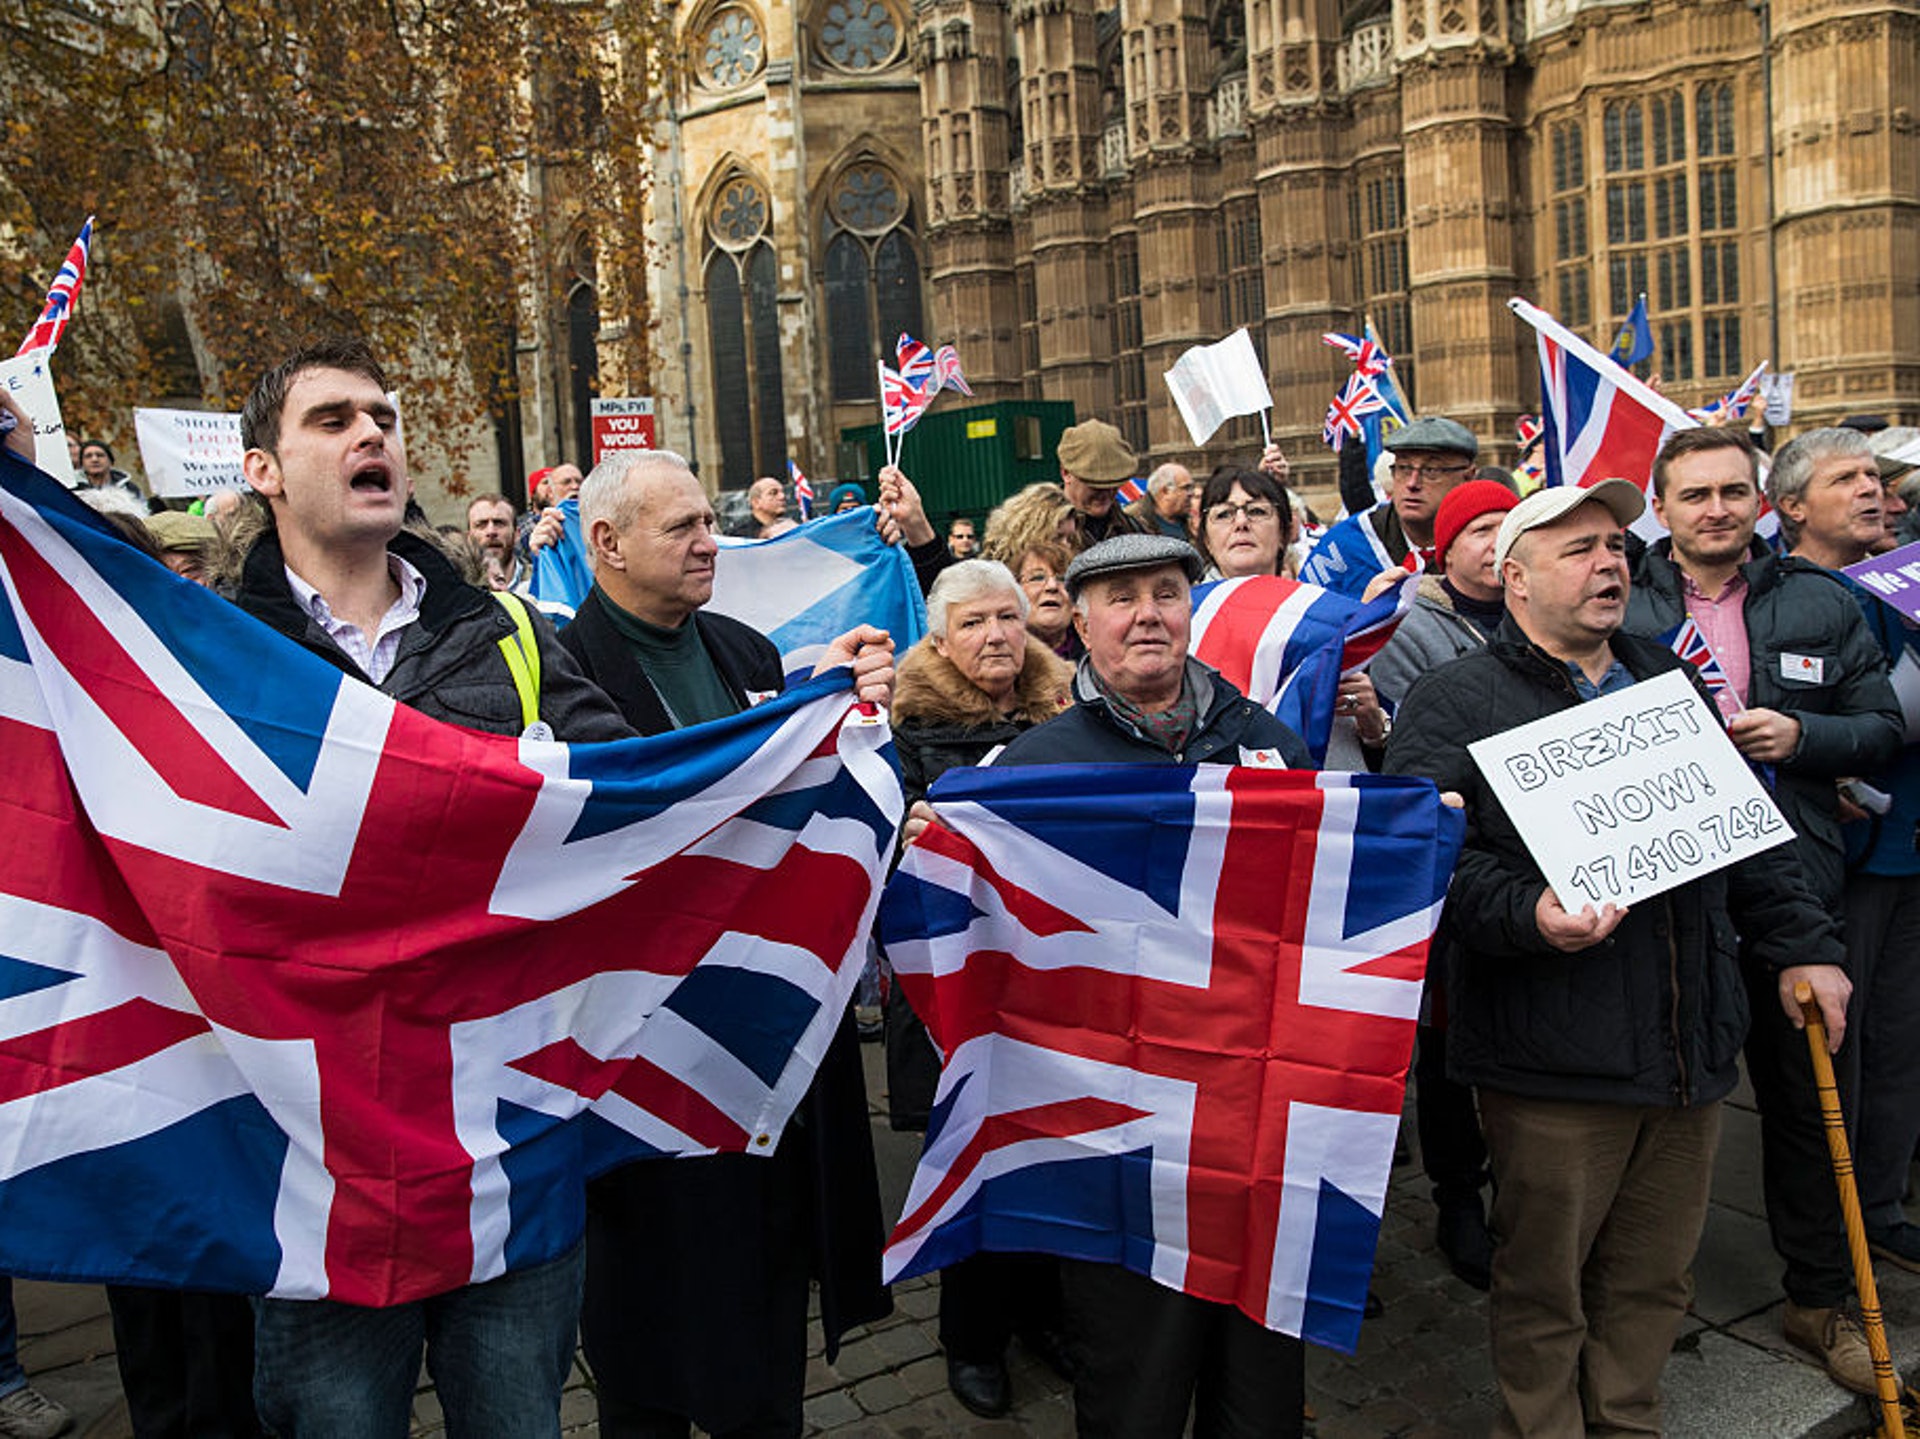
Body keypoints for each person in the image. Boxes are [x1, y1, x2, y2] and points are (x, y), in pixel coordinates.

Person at [223, 338, 632, 1439]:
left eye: (383, 417)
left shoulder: (504, 631)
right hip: (316, 1148)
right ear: (263, 467)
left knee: (516, 1419)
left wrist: (821, 727)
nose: (372, 435)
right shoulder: (208, 653)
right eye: (332, 419)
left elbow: (639, 798)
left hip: (505, 1121)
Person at [1385, 478, 1850, 1437]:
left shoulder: (1663, 676)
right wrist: (1527, 913)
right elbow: (1421, 867)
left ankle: (1627, 1421)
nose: (1608, 564)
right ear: (1513, 579)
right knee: (1546, 1284)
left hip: (1689, 1042)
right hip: (1552, 1057)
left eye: (1613, 546)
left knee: (1652, 1276)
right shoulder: (1453, 699)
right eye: (1578, 549)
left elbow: (1746, 836)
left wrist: (1804, 946)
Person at [905, 533, 1314, 1437]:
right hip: (1114, 1128)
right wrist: (942, 849)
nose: (1146, 615)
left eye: (1166, 593)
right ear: (1082, 625)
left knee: (1261, 1387)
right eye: (1120, 598)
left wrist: (1416, 835)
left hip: (1252, 1119)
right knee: (1136, 1378)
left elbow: (1336, 884)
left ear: (1190, 611)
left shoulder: (1265, 739)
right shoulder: (1036, 765)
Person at [559, 447, 894, 1439]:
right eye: (686, 528)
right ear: (607, 543)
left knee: (762, 1295)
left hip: (766, 1045)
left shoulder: (747, 654)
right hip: (639, 1054)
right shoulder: (563, 671)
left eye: (711, 521)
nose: (712, 543)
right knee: (649, 1323)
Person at [1622, 426, 1900, 1394]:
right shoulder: (1625, 601)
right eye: (1694, 494)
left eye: (1733, 491)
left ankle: (1820, 1297)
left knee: (1806, 1103)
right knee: (1658, 1110)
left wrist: (1804, 733)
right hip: (1675, 897)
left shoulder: (1822, 600)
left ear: (1761, 501)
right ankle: (1634, 1316)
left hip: (1798, 887)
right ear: (1662, 506)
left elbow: (1882, 725)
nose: (1716, 509)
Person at [885, 559, 1073, 1417]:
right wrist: (907, 833)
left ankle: (1042, 1316)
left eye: (1008, 616)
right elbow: (871, 857)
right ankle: (972, 1336)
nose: (997, 634)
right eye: (973, 622)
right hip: (955, 987)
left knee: (1048, 1152)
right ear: (938, 637)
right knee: (970, 1156)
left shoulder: (1071, 709)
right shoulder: (902, 730)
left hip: (1050, 980)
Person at [1771, 428, 1920, 1287]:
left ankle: (1885, 1204)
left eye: (1875, 476)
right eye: (1847, 478)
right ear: (1792, 506)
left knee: (1900, 1044)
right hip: (1848, 860)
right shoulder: (1788, 599)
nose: (1874, 491)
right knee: (1843, 1055)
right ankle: (1837, 1241)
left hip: (1908, 849)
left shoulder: (1897, 583)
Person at [1367, 478, 1518, 1292]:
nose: (1496, 543)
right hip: (1463, 857)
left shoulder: (1543, 618)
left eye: (1509, 526)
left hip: (1537, 870)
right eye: (1480, 529)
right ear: (1446, 546)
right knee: (1450, 1039)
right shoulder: (1412, 626)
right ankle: (1459, 1191)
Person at [1299, 417, 1478, 598]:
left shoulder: (1488, 544)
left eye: (1431, 470)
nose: (1412, 483)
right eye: (1404, 468)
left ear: (1469, 476)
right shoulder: (1345, 544)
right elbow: (1304, 615)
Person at [1056, 420, 1147, 550]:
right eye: (1096, 485)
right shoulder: (1044, 535)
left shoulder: (1132, 529)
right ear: (1066, 474)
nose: (1106, 494)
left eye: (1114, 484)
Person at [1012, 541, 1083, 662]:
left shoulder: (1099, 656)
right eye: (1038, 578)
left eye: (1062, 579)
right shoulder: (1001, 657)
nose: (1052, 586)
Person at [466, 493, 525, 591]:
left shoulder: (540, 580)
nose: (491, 532)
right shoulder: (461, 587)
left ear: (516, 534)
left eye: (499, 523)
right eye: (481, 524)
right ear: (468, 538)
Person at [1130, 463, 1194, 539]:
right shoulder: (1135, 525)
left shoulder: (1192, 525)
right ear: (1165, 491)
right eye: (1185, 488)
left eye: (1191, 488)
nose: (1191, 493)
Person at [75, 439, 142, 503]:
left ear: (110, 461)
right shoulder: (73, 489)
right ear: (82, 463)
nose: (94, 459)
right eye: (88, 456)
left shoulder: (130, 489)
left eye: (100, 455)